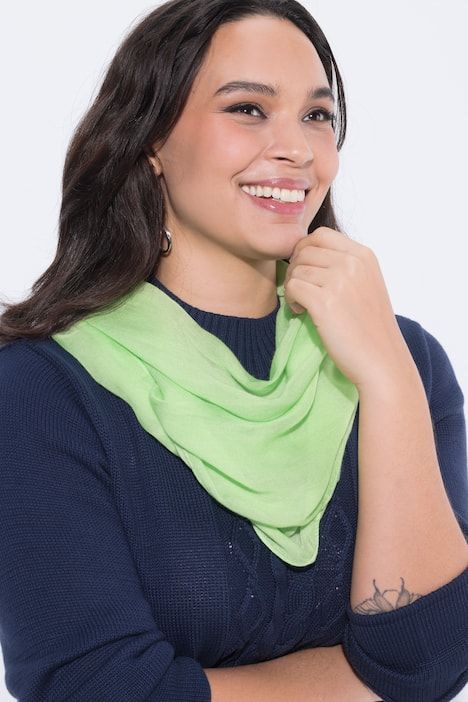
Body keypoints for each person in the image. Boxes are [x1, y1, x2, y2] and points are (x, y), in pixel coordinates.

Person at [0, 0, 466, 700]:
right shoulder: (42, 389)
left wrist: (389, 380)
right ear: (152, 139)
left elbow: (434, 657)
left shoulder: (405, 362)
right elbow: (97, 687)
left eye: (318, 115)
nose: (297, 149)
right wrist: (373, 685)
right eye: (248, 109)